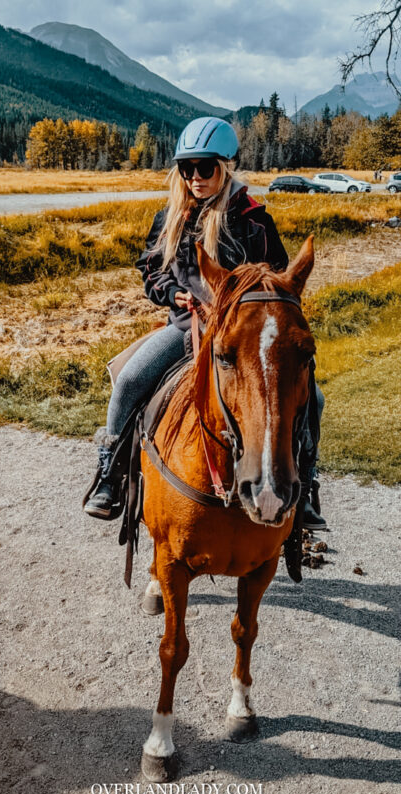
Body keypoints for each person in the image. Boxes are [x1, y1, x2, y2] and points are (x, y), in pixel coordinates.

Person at [84, 116, 327, 530]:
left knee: (314, 399)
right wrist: (169, 293)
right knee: (129, 381)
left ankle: (305, 489)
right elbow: (151, 268)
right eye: (187, 168)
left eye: (205, 167)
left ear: (225, 167)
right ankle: (111, 475)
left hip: (241, 338)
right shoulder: (171, 218)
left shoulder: (253, 220)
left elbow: (278, 278)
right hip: (183, 327)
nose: (195, 177)